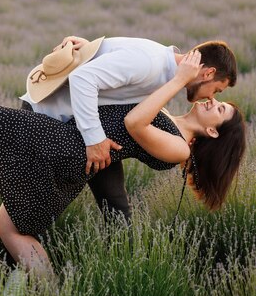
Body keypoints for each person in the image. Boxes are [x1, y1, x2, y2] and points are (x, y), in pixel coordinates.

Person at [0, 51, 246, 279]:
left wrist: (178, 79)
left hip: (71, 148)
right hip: (77, 157)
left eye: (221, 107)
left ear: (214, 134)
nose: (213, 100)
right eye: (218, 95)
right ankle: (49, 293)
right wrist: (87, 49)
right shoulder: (174, 118)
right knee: (11, 228)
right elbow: (118, 91)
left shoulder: (178, 148)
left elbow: (133, 122)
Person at [20, 35, 238, 222]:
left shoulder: (163, 71)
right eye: (217, 91)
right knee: (25, 217)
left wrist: (94, 54)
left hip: (94, 138)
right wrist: (95, 140)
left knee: (118, 214)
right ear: (208, 74)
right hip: (51, 116)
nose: (211, 97)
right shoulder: (151, 63)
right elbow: (83, 78)